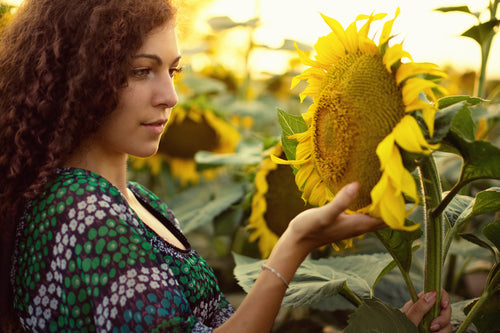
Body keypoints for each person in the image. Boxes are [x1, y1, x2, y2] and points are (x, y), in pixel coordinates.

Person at [0, 0, 452, 332]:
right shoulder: (82, 211)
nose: (170, 97)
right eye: (142, 71)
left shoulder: (139, 202)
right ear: (82, 76)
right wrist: (295, 242)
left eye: (172, 71)